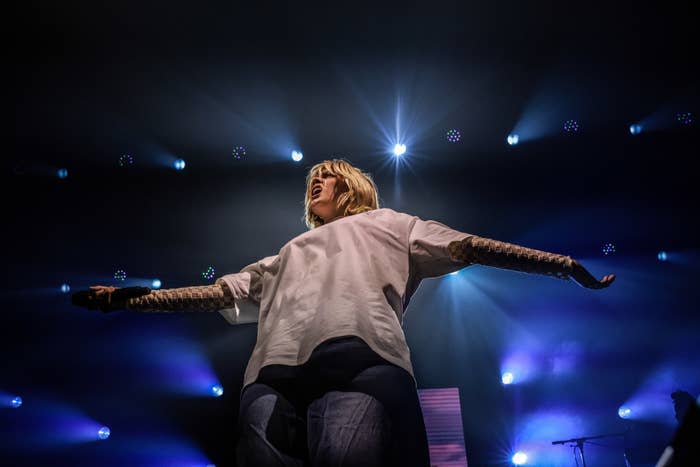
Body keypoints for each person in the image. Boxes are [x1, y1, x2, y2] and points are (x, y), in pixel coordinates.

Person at [74, 159, 615, 466]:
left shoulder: (393, 224)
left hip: (360, 360)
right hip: (275, 371)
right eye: (312, 177)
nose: (316, 181)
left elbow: (469, 246)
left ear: (351, 185)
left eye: (327, 174)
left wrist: (563, 265)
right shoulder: (283, 254)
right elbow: (217, 293)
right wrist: (131, 299)